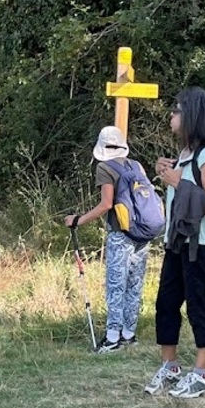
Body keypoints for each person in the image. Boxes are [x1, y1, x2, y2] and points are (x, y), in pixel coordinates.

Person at [145, 88, 205, 399]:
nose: (172, 115)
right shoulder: (184, 155)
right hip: (177, 241)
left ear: (193, 116)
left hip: (202, 244)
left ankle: (202, 374)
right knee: (166, 303)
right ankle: (170, 366)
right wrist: (166, 172)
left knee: (199, 304)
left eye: (177, 110)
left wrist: (178, 181)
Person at [64, 125, 152, 353]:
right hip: (142, 232)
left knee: (116, 285)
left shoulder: (105, 167)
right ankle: (129, 335)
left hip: (120, 233)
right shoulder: (136, 165)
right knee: (134, 285)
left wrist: (78, 220)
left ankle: (112, 338)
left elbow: (106, 204)